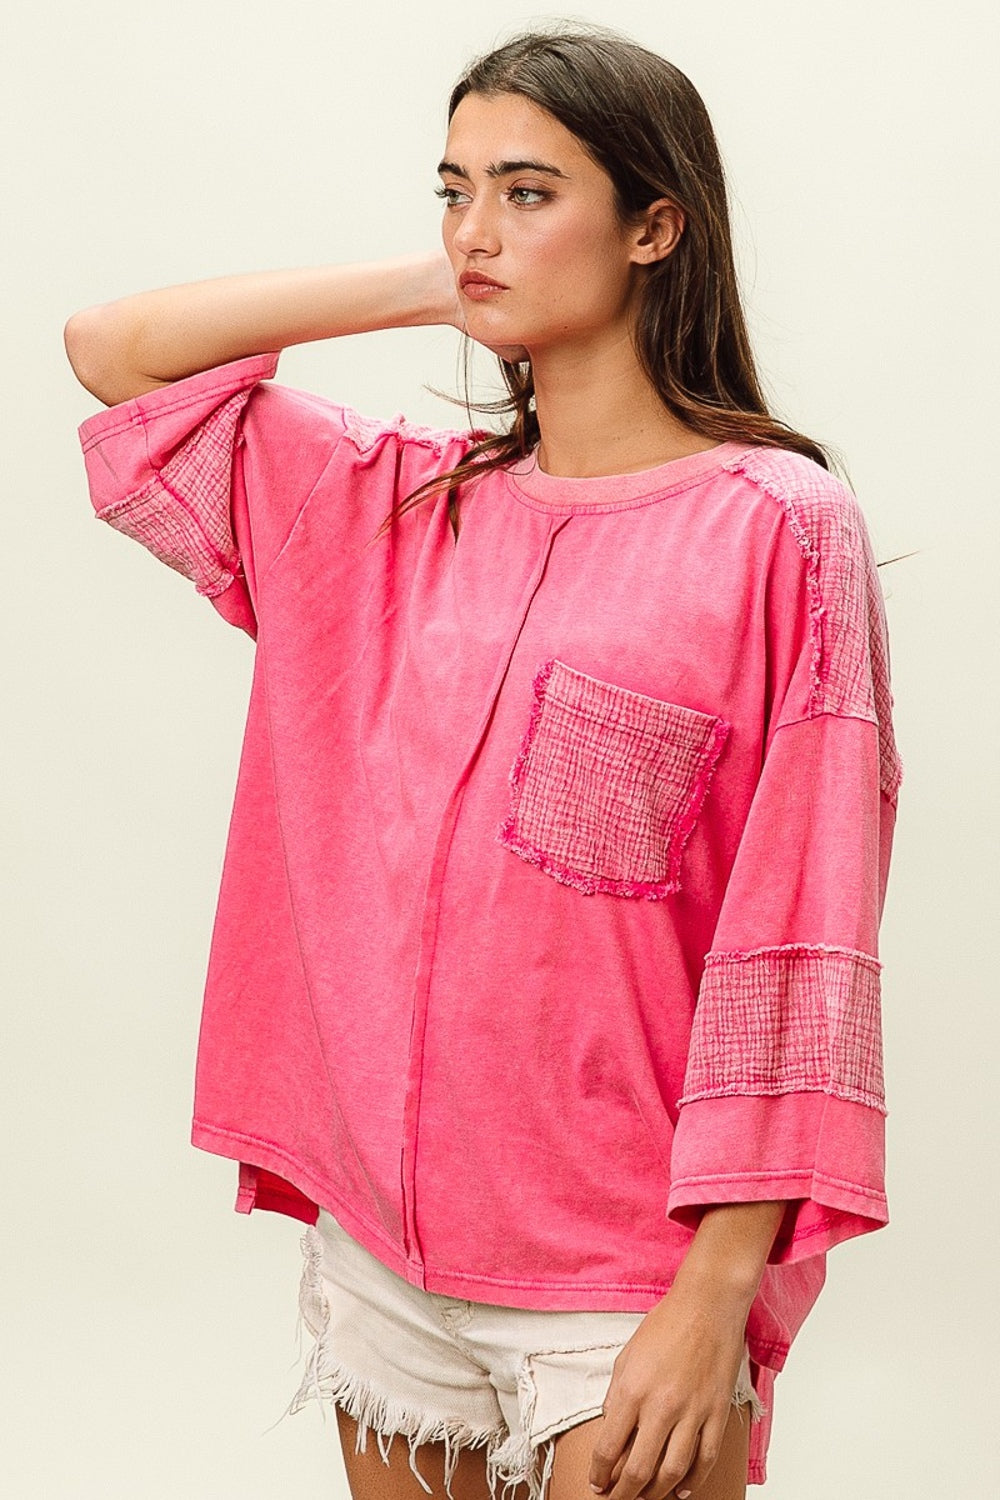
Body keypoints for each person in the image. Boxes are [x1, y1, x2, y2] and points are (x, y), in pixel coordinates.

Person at [64, 21, 903, 1500]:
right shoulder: (385, 507)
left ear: (656, 226)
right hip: (386, 1251)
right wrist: (429, 287)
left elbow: (802, 930)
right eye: (453, 191)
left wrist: (715, 1296)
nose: (475, 230)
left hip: (623, 1272)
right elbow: (114, 356)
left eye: (528, 193)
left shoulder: (775, 525)